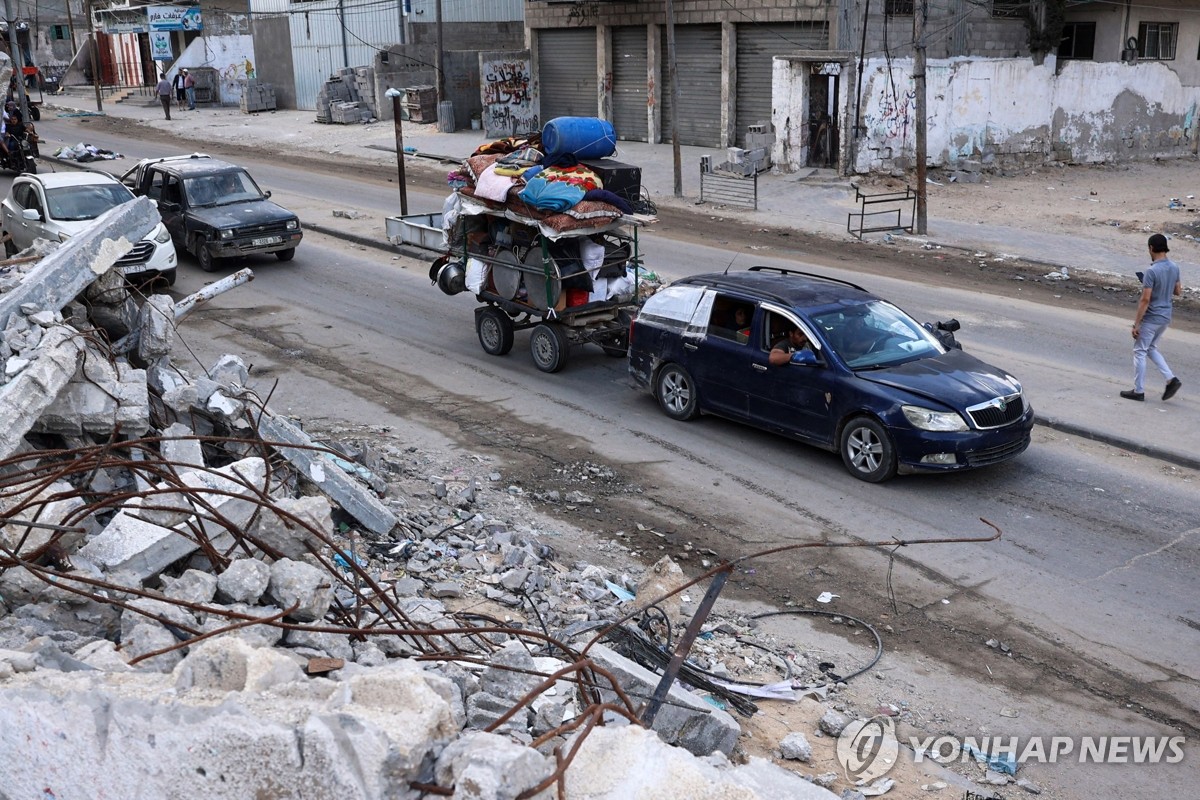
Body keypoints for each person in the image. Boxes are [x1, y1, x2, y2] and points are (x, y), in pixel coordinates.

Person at [1121, 233, 1182, 401]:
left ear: (1151, 248)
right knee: (1151, 348)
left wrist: (1136, 324)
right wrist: (1163, 286)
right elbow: (1177, 291)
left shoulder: (1152, 271)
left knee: (1139, 351)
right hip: (1165, 316)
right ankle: (1171, 379)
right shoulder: (1174, 267)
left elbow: (1145, 299)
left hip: (1152, 317)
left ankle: (1138, 391)